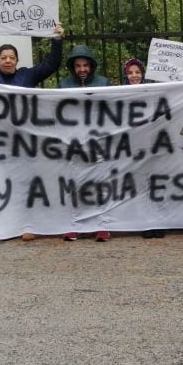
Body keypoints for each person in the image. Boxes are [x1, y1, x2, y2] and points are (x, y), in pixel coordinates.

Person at [58, 44, 112, 240]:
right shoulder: (64, 85)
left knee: (100, 184)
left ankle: (102, 226)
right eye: (78, 65)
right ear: (73, 67)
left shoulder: (103, 83)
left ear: (92, 66)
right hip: (74, 142)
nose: (82, 69)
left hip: (98, 141)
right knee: (76, 184)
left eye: (86, 65)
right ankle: (76, 225)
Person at [121, 57, 166, 238]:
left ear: (143, 74)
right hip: (133, 146)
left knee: (156, 183)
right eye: (130, 73)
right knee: (140, 185)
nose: (134, 76)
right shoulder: (119, 93)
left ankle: (160, 222)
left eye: (137, 72)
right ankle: (146, 223)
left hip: (154, 144)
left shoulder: (153, 91)